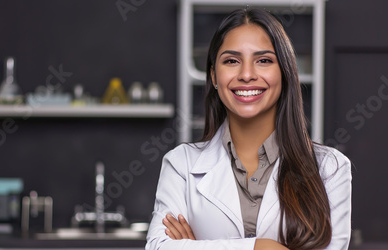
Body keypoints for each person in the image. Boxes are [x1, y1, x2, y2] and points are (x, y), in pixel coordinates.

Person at [145, 8, 352, 250]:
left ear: (284, 72)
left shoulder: (330, 168)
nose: (246, 75)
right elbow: (159, 247)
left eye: (263, 60)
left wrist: (197, 246)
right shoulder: (181, 164)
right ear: (213, 75)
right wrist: (262, 247)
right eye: (232, 61)